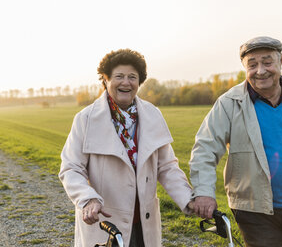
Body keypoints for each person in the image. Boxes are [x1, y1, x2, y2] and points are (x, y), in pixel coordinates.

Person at [59, 48, 194, 247]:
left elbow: (166, 167)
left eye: (132, 77)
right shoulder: (85, 119)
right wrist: (87, 199)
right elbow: (71, 168)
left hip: (144, 224)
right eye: (119, 76)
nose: (126, 82)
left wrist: (188, 199)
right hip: (105, 226)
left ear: (139, 82)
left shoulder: (152, 115)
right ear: (105, 80)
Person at [189, 36, 282, 247]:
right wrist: (203, 192)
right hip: (255, 210)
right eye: (252, 65)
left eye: (267, 62)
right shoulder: (229, 103)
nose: (260, 70)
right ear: (244, 68)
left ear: (281, 61)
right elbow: (205, 147)